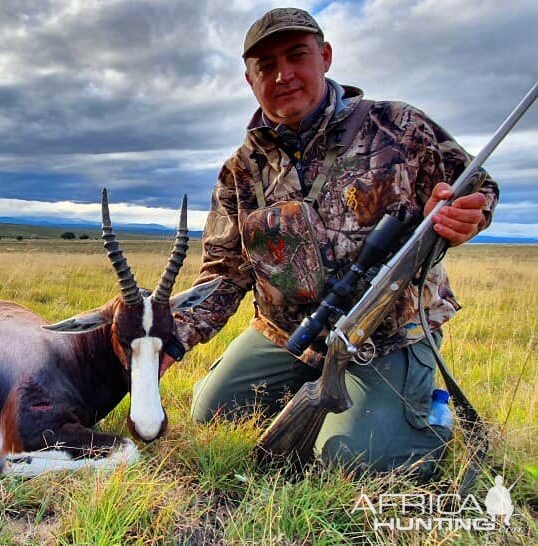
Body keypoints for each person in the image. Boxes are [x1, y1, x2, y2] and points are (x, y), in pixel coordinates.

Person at [161, 7, 499, 477]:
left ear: (325, 56)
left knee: (350, 461)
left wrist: (469, 214)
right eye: (265, 66)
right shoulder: (240, 169)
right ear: (249, 80)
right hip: (288, 335)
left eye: (297, 56)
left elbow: (478, 187)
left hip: (385, 334)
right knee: (210, 412)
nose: (283, 74)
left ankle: (428, 422)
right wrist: (168, 341)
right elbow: (222, 275)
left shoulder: (399, 126)